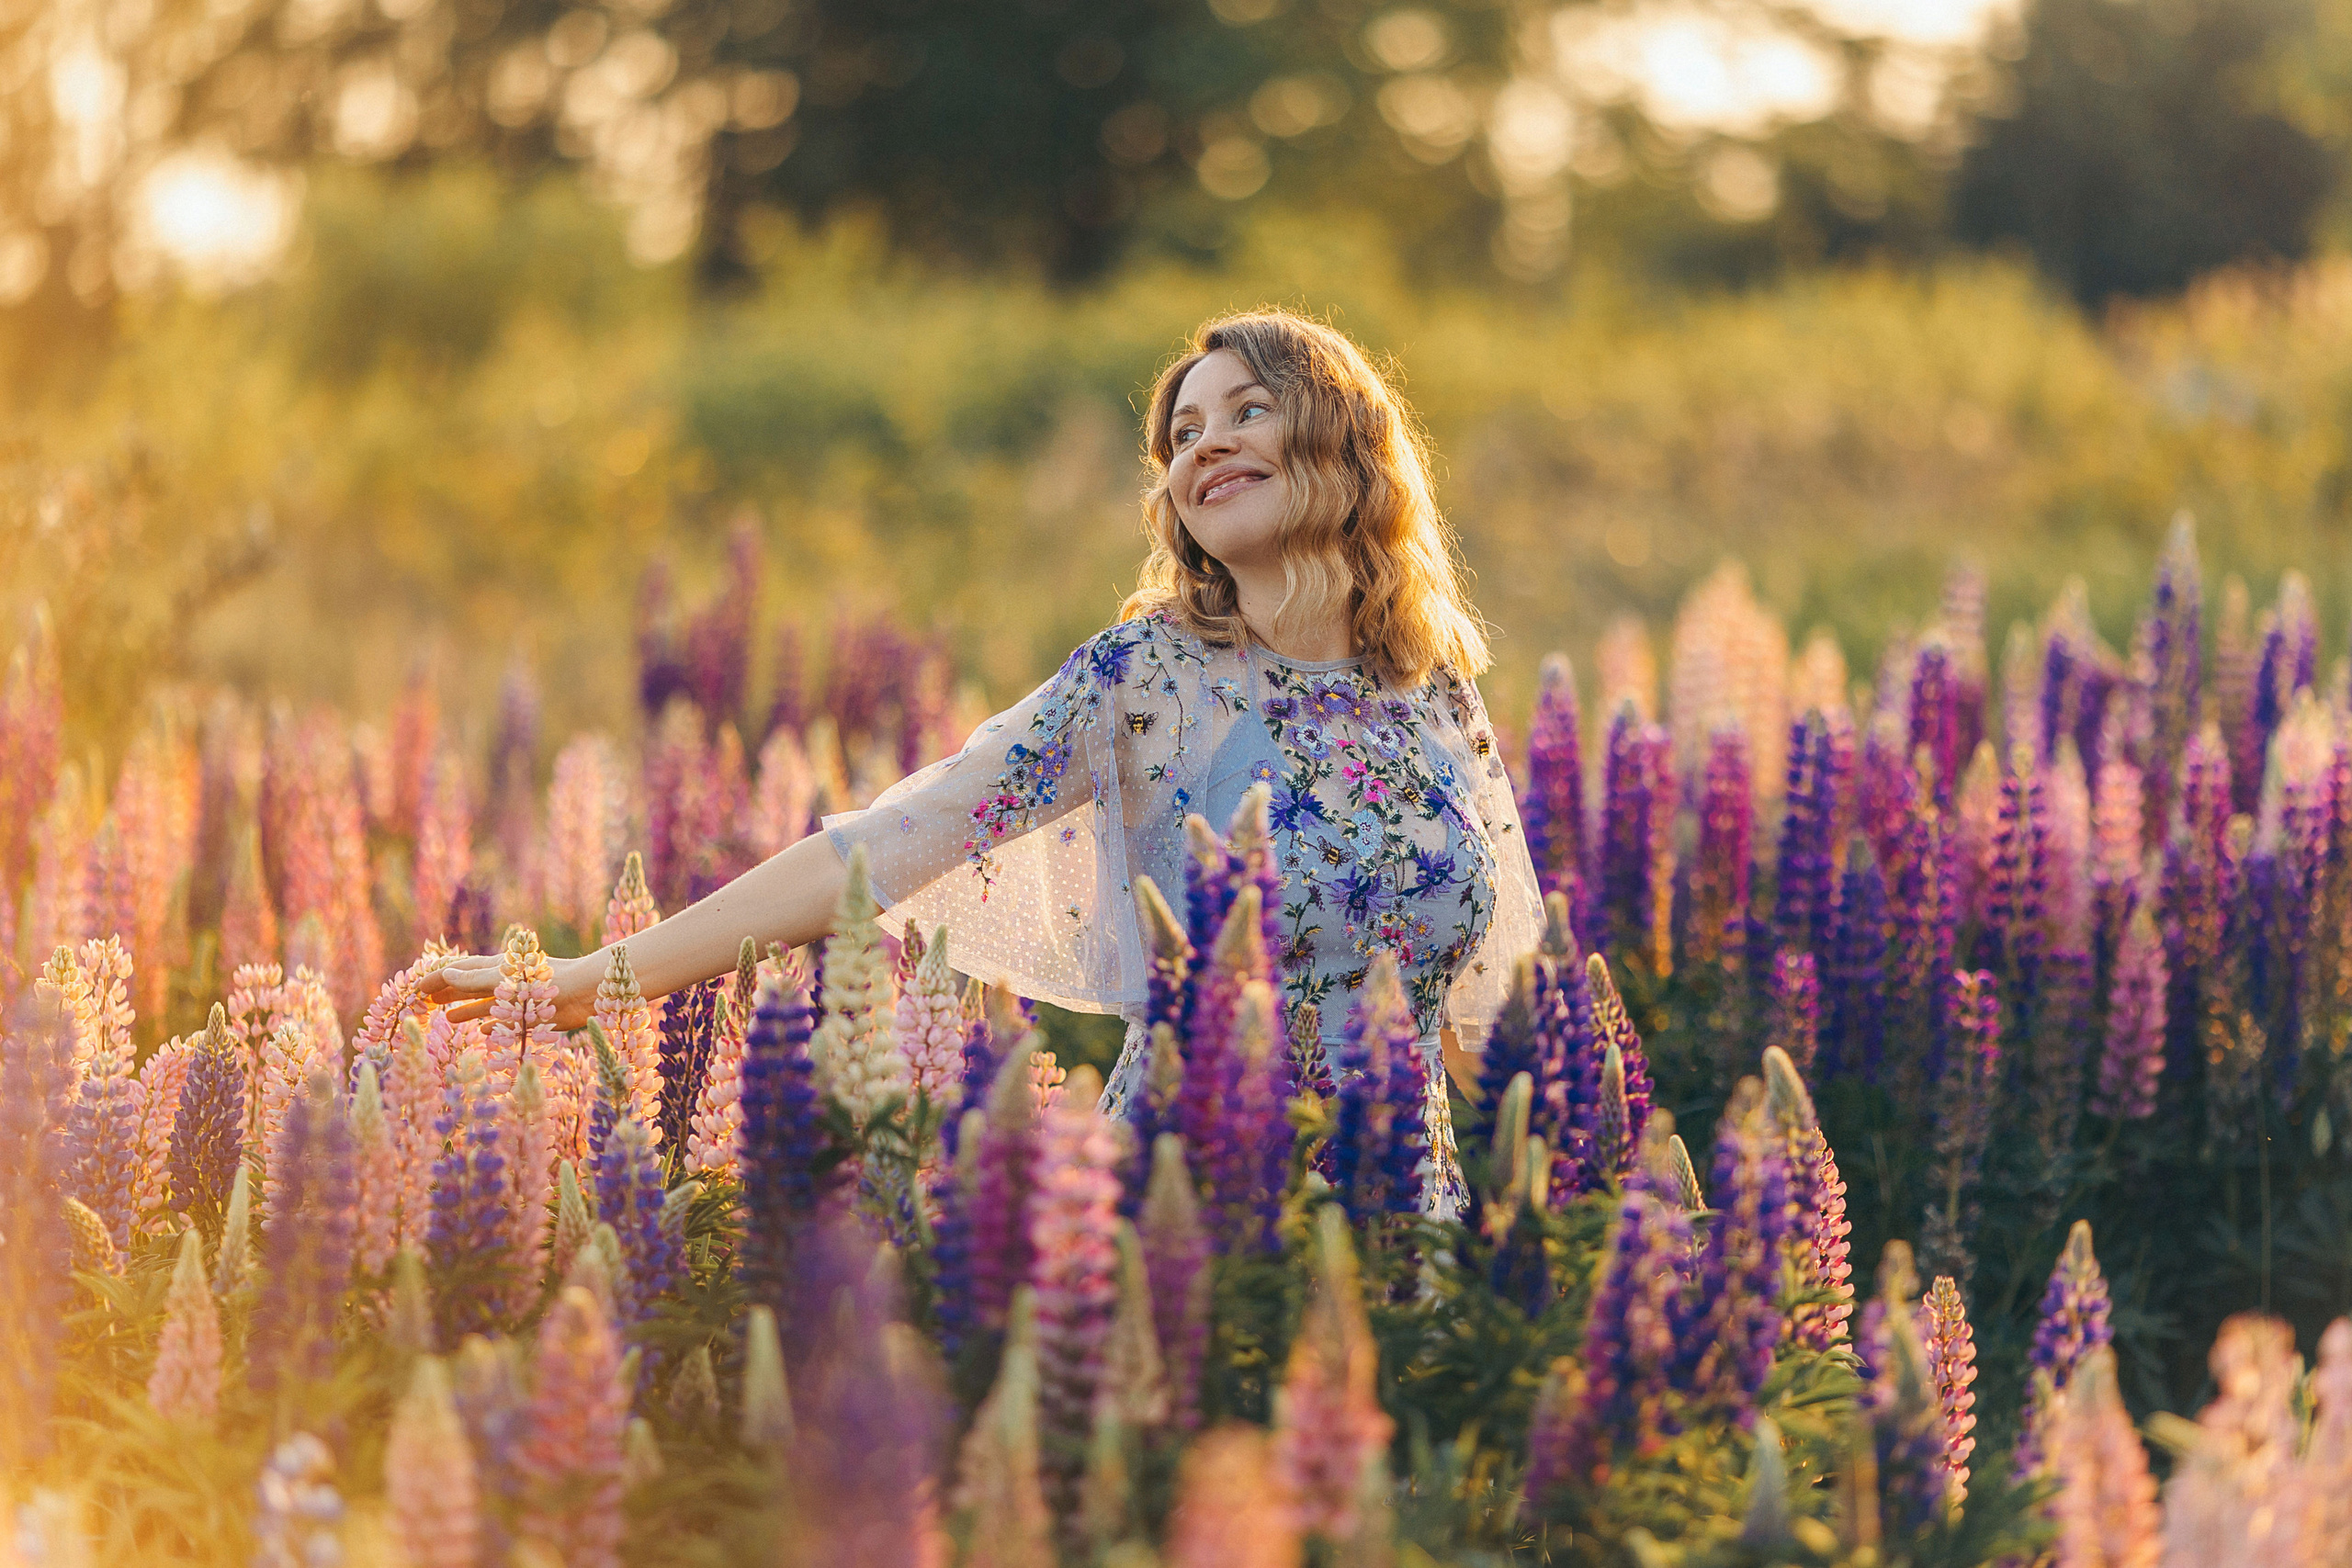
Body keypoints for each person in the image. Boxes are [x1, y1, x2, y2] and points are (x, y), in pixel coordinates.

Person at [422, 310, 1544, 1206]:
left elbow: (1471, 1022)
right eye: (1184, 435)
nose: (1208, 446)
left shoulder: (1429, 690)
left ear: (1348, 448)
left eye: (1251, 409)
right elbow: (880, 849)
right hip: (1191, 1209)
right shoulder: (1148, 677)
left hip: (1411, 1216)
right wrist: (590, 981)